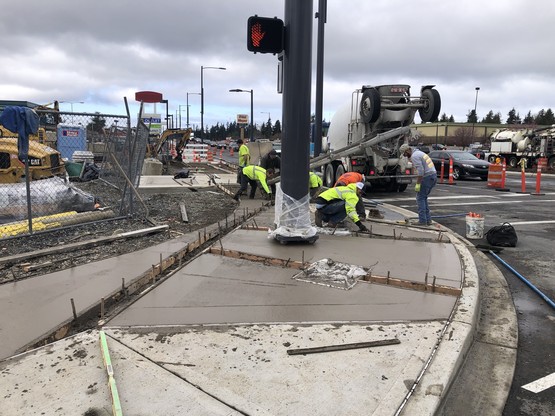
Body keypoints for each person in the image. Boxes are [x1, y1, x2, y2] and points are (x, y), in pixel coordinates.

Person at [400, 143, 437, 226]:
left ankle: (423, 221)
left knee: (420, 198)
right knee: (423, 198)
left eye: (405, 154)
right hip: (433, 176)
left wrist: (418, 183)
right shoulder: (420, 153)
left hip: (427, 177)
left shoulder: (415, 156)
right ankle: (428, 220)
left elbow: (421, 171)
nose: (405, 156)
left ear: (407, 150)